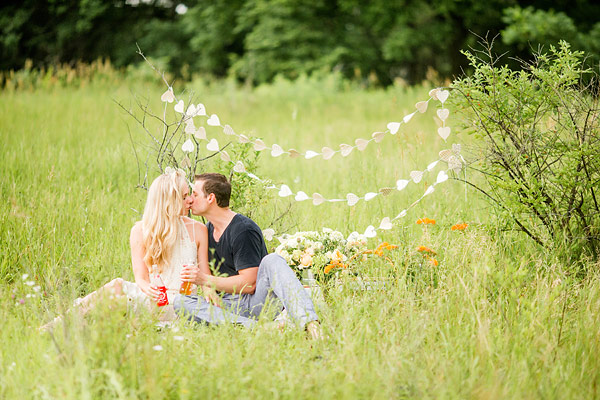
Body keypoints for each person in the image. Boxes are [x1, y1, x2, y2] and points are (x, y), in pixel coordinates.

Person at [41, 168, 220, 329]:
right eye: (183, 197)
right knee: (117, 286)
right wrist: (148, 288)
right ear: (168, 202)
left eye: (189, 194)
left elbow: (205, 275)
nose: (190, 200)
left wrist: (210, 291)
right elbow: (141, 278)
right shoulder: (140, 231)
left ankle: (75, 326)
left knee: (116, 296)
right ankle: (60, 325)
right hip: (156, 299)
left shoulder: (198, 230)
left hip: (183, 302)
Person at [174, 173, 322, 338]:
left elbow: (249, 285)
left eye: (195, 194)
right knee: (181, 302)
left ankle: (310, 325)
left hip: (256, 302)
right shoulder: (206, 230)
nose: (191, 200)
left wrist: (205, 280)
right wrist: (207, 289)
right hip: (225, 306)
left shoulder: (243, 229)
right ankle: (263, 329)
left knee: (272, 260)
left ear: (211, 198)